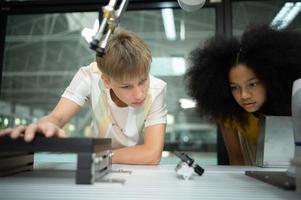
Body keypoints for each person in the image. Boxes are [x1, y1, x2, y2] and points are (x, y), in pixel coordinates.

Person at [0, 30, 167, 165]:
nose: (140, 94)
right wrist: (44, 126)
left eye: (143, 80)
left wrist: (98, 156)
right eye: (126, 86)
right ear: (106, 81)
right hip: (99, 165)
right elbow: (56, 118)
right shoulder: (89, 76)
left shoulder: (157, 89)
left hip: (134, 167)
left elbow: (151, 155)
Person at [185, 24, 301, 165]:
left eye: (253, 84)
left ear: (270, 79)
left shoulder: (295, 106)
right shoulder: (229, 114)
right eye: (234, 87)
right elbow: (236, 157)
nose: (244, 95)